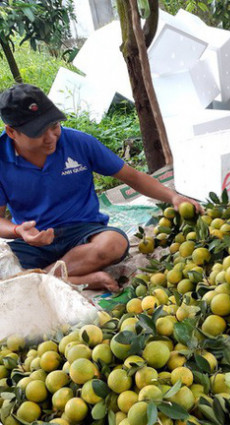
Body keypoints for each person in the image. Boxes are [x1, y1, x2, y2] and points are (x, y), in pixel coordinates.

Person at [0, 83, 202, 290]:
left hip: (82, 232)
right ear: (12, 132)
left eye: (54, 126)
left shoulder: (78, 143)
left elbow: (133, 177)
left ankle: (45, 280)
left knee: (113, 243)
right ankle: (70, 279)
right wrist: (19, 231)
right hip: (33, 241)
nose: (51, 138)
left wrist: (174, 198)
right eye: (38, 132)